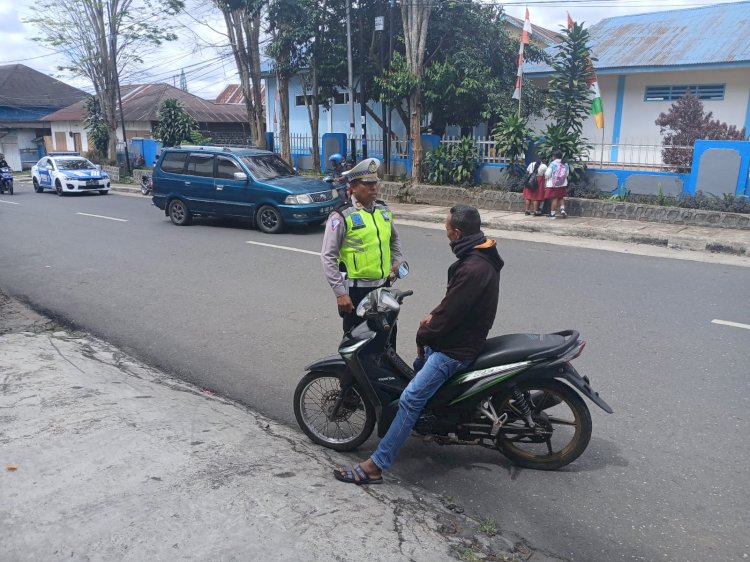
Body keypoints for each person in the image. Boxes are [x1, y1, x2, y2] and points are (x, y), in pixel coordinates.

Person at [334, 205, 504, 485]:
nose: (446, 233)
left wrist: (424, 334)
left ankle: (375, 467)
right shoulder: (481, 256)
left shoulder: (472, 267)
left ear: (457, 232)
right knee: (417, 369)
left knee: (411, 399)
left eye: (447, 228)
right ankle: (429, 421)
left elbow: (451, 312)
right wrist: (433, 317)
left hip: (456, 350)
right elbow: (454, 304)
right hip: (465, 336)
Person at [321, 157, 404, 335]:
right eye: (367, 184)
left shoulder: (383, 210)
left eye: (375, 182)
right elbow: (328, 256)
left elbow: (394, 239)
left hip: (383, 288)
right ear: (354, 186)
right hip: (357, 292)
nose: (374, 187)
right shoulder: (342, 215)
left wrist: (397, 261)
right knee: (357, 343)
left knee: (387, 341)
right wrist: (340, 293)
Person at [544, 150, 569, 219]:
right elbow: (567, 174)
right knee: (561, 197)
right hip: (562, 184)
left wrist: (546, 178)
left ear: (554, 157)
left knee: (554, 198)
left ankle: (552, 214)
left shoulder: (553, 164)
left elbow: (547, 174)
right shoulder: (565, 164)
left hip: (553, 184)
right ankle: (562, 209)